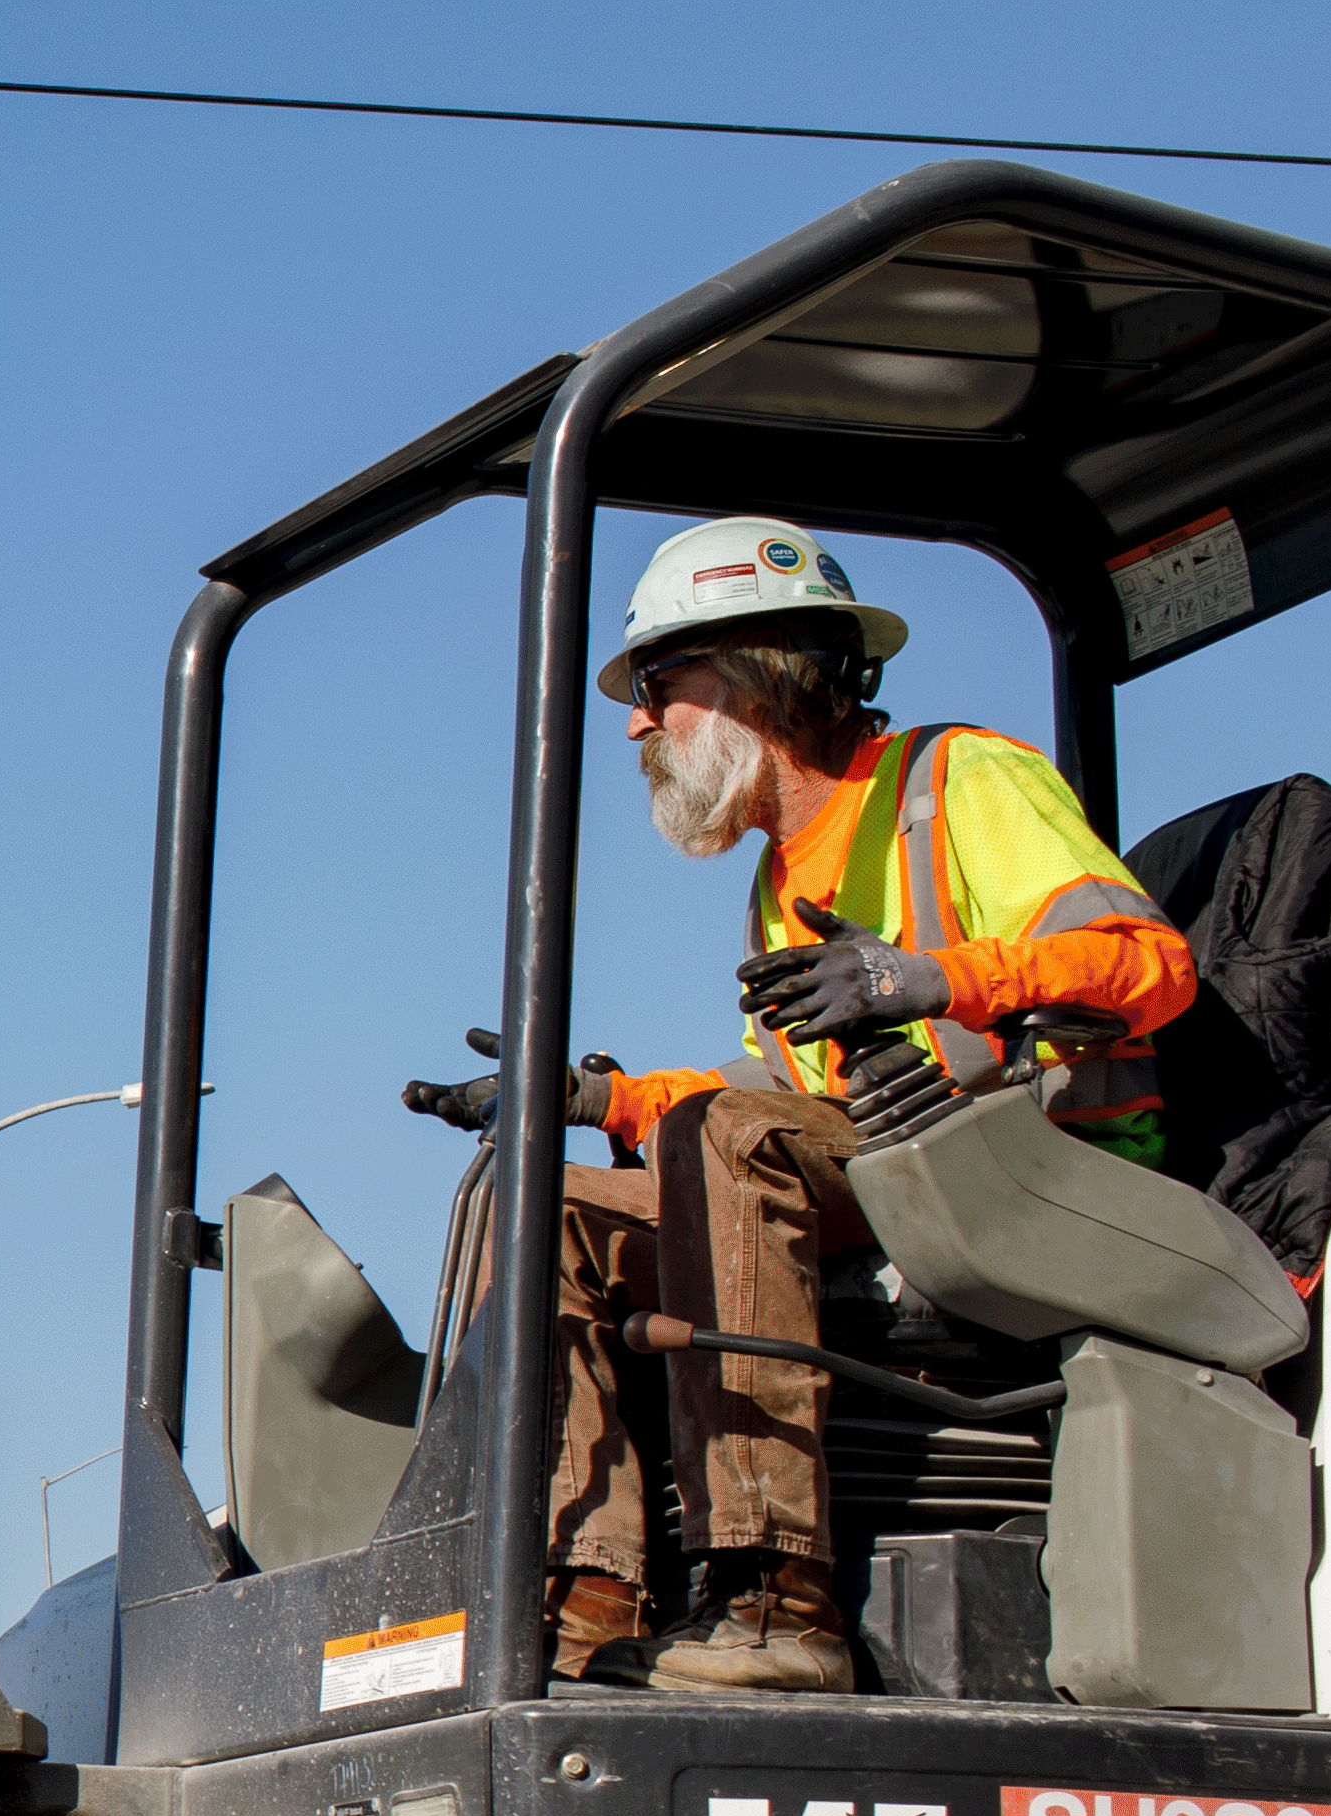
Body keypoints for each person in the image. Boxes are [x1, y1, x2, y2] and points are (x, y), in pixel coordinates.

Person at [491, 515, 1201, 1696]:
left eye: (658, 685)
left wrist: (928, 977)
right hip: (900, 1172)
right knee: (550, 1204)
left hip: (1049, 1176)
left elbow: (1147, 963)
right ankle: (590, 1597)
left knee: (725, 1140)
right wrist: (597, 1099)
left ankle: (775, 1595)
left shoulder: (961, 780)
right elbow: (790, 1091)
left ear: (764, 670)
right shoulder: (783, 874)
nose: (634, 723)